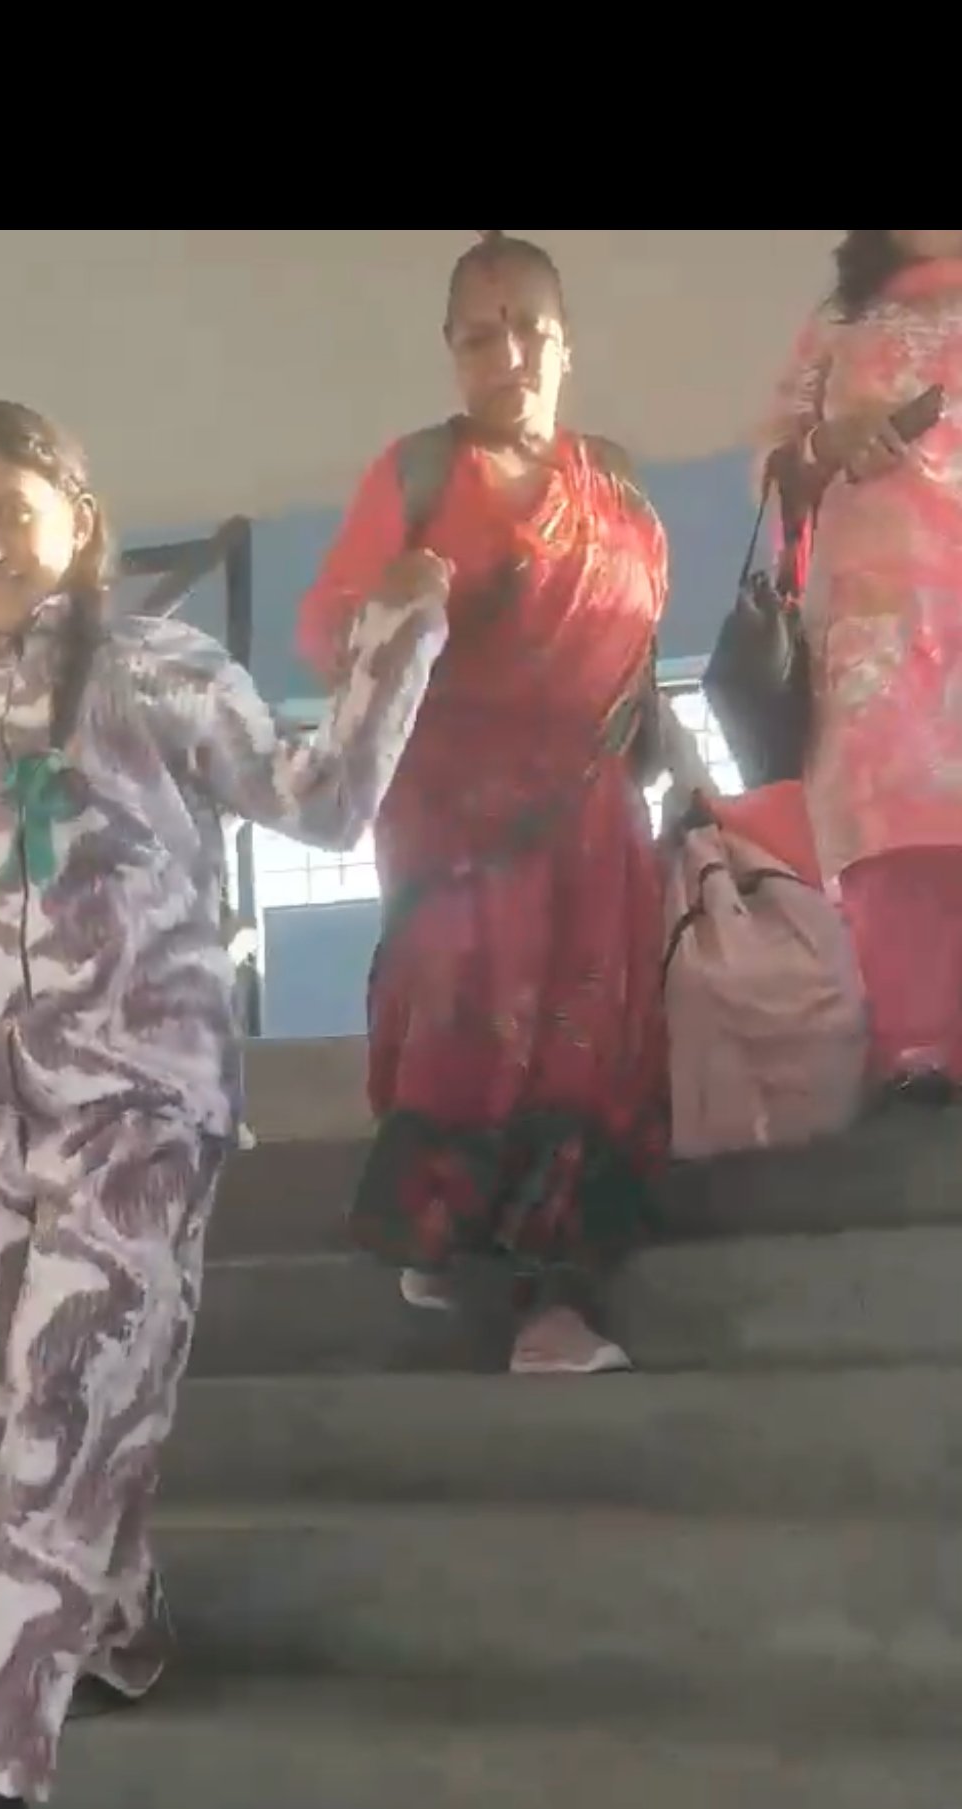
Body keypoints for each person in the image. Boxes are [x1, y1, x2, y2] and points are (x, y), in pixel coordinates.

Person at [0, 399, 449, 1809]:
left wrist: (395, 639)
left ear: (78, 520)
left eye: (11, 516)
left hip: (141, 1093)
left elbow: (322, 802)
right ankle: (118, 1630)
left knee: (71, 1394)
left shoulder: (164, 668)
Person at [299, 233, 670, 1376]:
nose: (507, 356)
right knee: (471, 1055)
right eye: (478, 337)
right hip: (461, 841)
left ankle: (552, 1312)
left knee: (583, 1065)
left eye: (529, 331)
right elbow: (328, 630)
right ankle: (467, 1265)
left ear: (566, 343)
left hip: (597, 833)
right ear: (450, 352)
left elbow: (636, 652)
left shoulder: (612, 480)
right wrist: (394, 601)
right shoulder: (419, 473)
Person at [762, 230, 962, 1095]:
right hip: (876, 663)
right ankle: (910, 1055)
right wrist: (828, 444)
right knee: (893, 864)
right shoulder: (838, 325)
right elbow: (776, 476)